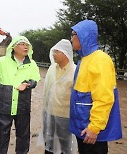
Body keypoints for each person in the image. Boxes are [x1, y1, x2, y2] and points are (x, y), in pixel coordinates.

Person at [69, 19, 122, 154]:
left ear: (83, 35)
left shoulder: (100, 59)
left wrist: (95, 127)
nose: (71, 39)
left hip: (91, 131)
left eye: (73, 34)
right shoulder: (85, 59)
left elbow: (104, 98)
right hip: (83, 126)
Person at [41, 39, 77, 154]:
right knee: (49, 145)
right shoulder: (52, 69)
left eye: (57, 51)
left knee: (64, 148)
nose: (53, 54)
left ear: (65, 53)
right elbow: (46, 90)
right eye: (53, 51)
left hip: (66, 117)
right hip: (49, 114)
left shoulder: (75, 71)